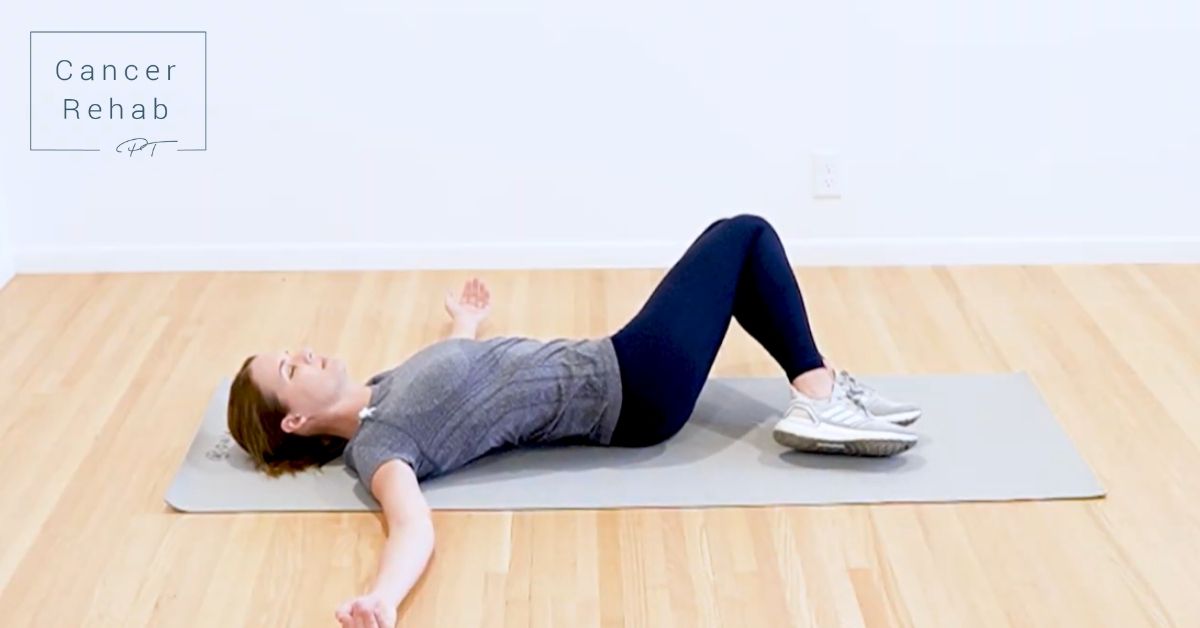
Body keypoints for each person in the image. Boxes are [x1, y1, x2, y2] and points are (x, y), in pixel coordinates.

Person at [226, 213, 921, 628]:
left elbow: (460, 372)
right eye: (290, 371)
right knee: (743, 235)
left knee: (731, 241)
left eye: (291, 351)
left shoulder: (384, 386)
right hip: (632, 389)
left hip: (616, 361)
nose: (305, 353)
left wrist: (464, 321)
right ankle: (821, 396)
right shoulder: (381, 447)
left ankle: (822, 389)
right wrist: (381, 598)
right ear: (296, 423)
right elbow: (411, 525)